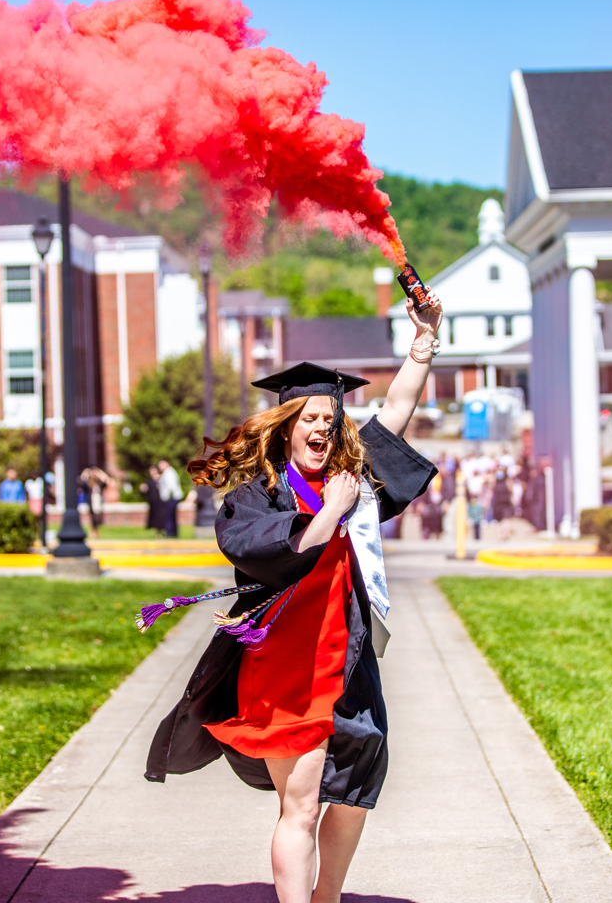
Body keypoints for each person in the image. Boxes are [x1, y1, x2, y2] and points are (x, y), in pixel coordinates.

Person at [144, 287, 442, 903]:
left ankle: (325, 896)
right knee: (301, 805)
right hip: (286, 668)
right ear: (285, 428)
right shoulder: (257, 494)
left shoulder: (352, 481)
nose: (322, 429)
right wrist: (329, 512)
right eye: (309, 419)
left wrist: (423, 340)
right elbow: (259, 548)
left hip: (348, 663)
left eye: (330, 420)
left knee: (355, 795)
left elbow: (396, 409)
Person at [157, 459, 183, 537]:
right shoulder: (169, 472)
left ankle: (169, 533)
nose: (160, 467)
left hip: (172, 498)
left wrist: (167, 497)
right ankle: (173, 533)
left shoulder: (169, 472)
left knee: (169, 516)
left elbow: (170, 486)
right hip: (172, 497)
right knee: (171, 516)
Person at [140, 465, 165, 534]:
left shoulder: (160, 479)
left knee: (160, 516)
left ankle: (161, 530)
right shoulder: (149, 480)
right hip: (152, 501)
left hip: (160, 502)